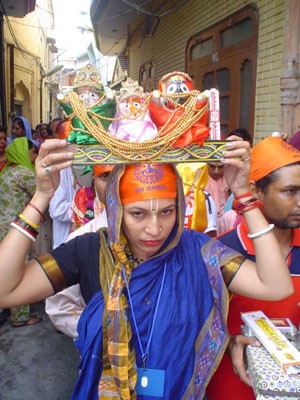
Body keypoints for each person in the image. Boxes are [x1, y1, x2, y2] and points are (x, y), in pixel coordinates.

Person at [0, 138, 293, 399]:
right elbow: (6, 291)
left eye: (167, 211)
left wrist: (244, 196)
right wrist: (40, 198)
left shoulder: (199, 251)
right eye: (137, 213)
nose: (154, 228)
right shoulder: (88, 250)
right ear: (116, 209)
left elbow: (276, 286)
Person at [206, 136, 300, 400]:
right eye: (290, 191)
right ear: (256, 191)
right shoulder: (223, 252)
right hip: (232, 381)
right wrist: (228, 342)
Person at [45, 164, 113, 338]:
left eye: (125, 172)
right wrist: (104, 333)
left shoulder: (167, 234)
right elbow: (59, 307)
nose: (116, 183)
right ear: (93, 181)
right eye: (105, 176)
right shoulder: (82, 239)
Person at [0, 137, 42, 327]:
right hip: (17, 227)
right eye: (33, 152)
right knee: (18, 269)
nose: (34, 156)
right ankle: (20, 317)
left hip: (3, 225)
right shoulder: (24, 173)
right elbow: (41, 192)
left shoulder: (7, 170)